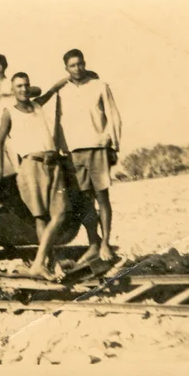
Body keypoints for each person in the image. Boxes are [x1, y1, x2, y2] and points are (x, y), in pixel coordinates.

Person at [0, 72, 70, 281]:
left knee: (60, 213)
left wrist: (63, 80)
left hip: (52, 163)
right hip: (31, 165)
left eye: (26, 85)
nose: (23, 89)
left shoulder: (37, 105)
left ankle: (38, 263)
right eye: (18, 86)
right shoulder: (9, 112)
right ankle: (49, 263)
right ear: (12, 89)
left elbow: (50, 92)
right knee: (41, 217)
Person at [55, 49, 122, 263]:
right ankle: (94, 242)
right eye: (72, 65)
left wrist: (113, 144)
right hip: (74, 152)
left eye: (80, 64)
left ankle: (105, 244)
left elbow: (113, 116)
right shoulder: (62, 92)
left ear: (85, 64)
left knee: (102, 197)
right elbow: (57, 122)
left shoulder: (100, 86)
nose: (77, 68)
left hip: (97, 147)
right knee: (84, 201)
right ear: (66, 68)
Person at [0, 54, 42, 176]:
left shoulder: (11, 85)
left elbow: (38, 90)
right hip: (0, 141)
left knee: (19, 175)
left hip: (12, 139)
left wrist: (14, 91)